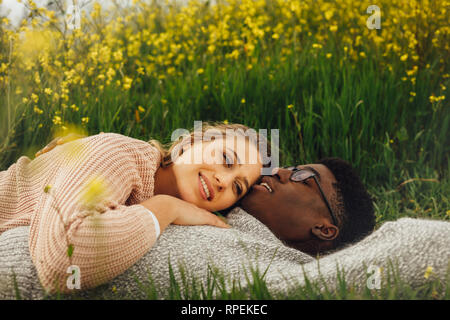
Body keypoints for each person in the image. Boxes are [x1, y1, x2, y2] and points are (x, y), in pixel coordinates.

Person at [1, 156, 448, 299]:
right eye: (285, 166)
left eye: (304, 177)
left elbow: (419, 243)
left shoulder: (276, 269)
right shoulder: (193, 196)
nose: (281, 173)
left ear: (325, 229)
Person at [0, 122, 268, 294]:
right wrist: (166, 207)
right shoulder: (116, 153)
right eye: (226, 159)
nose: (224, 181)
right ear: (191, 142)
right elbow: (63, 262)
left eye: (238, 188)